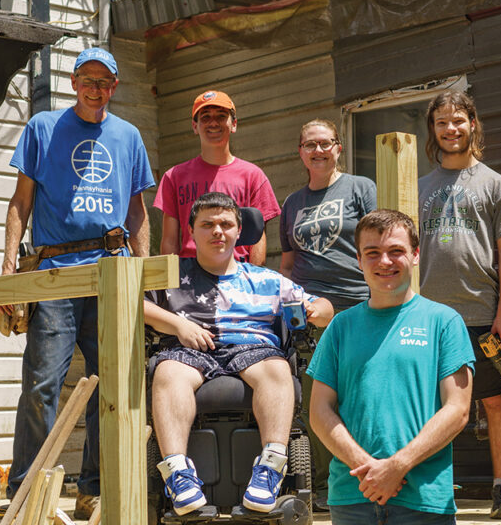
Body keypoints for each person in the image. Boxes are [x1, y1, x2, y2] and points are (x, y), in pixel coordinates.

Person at [0, 47, 155, 519]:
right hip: (55, 273)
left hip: (112, 269)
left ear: (114, 88)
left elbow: (137, 211)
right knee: (42, 384)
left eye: (105, 82)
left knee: (111, 384)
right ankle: (27, 492)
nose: (96, 89)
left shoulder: (128, 136)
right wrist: (9, 268)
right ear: (73, 82)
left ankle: (93, 489)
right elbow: (20, 202)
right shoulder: (42, 128)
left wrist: (142, 275)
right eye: (88, 79)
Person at [146, 192, 334, 515]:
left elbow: (326, 308)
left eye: (225, 224)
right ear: (191, 231)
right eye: (207, 225)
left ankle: (270, 468)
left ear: (238, 231)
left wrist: (315, 309)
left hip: (254, 349)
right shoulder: (171, 275)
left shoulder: (267, 280)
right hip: (191, 349)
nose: (217, 231)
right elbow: (133, 301)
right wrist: (177, 324)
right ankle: (178, 474)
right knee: (166, 372)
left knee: (278, 369)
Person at [308, 209, 475, 524]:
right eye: (373, 253)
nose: (384, 261)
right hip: (352, 496)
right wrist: (369, 470)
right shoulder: (340, 327)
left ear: (414, 255)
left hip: (424, 500)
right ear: (358, 260)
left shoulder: (444, 322)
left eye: (396, 251)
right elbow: (319, 411)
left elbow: (458, 410)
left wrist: (397, 466)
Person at [416, 90, 501, 519]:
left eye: (458, 120)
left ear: (473, 124)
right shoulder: (417, 187)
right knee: (429, 406)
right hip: (425, 315)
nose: (451, 129)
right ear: (433, 130)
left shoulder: (496, 185)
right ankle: (431, 492)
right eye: (442, 122)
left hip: (481, 312)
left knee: (495, 402)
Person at [279, 118, 377, 510]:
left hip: (357, 303)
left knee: (360, 395)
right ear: (300, 152)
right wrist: (289, 304)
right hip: (308, 311)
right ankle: (322, 487)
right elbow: (287, 263)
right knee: (317, 397)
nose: (318, 151)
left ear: (339, 147)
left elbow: (378, 240)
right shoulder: (292, 203)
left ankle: (367, 476)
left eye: (325, 144)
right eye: (310, 145)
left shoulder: (359, 187)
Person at [154, 90, 280, 265]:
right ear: (194, 126)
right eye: (205, 117)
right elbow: (169, 240)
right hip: (190, 275)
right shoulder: (174, 176)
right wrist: (171, 285)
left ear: (234, 124)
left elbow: (258, 238)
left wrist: (252, 280)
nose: (213, 122)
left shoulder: (253, 175)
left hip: (237, 272)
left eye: (221, 116)